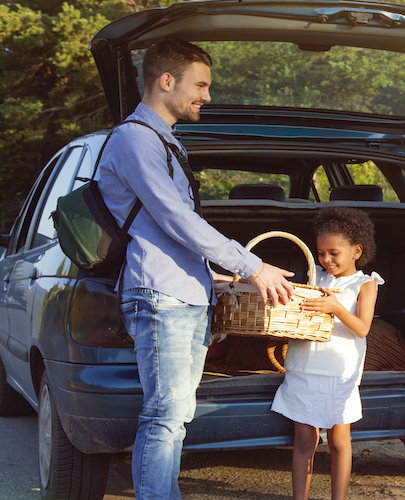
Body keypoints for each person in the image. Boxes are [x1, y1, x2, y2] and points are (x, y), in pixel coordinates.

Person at [97, 38, 295, 499]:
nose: (207, 96)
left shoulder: (165, 141)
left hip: (185, 293)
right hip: (159, 295)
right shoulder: (134, 138)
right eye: (200, 84)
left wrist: (216, 276)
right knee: (164, 414)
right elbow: (173, 217)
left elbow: (168, 228)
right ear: (166, 81)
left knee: (178, 413)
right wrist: (250, 266)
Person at [271, 206, 383, 500]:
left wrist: (336, 308)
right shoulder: (313, 278)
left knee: (339, 441)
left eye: (334, 253)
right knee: (304, 440)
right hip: (303, 367)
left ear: (357, 250)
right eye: (321, 253)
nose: (326, 259)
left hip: (339, 372)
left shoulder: (365, 283)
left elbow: (362, 328)